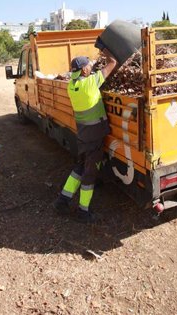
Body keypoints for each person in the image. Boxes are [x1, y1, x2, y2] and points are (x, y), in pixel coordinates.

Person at [54, 47, 119, 223]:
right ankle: (83, 211)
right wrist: (106, 52)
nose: (91, 67)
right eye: (89, 66)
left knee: (80, 168)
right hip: (94, 137)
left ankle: (63, 199)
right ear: (84, 70)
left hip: (83, 135)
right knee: (89, 174)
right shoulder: (90, 83)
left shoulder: (72, 86)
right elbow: (114, 63)